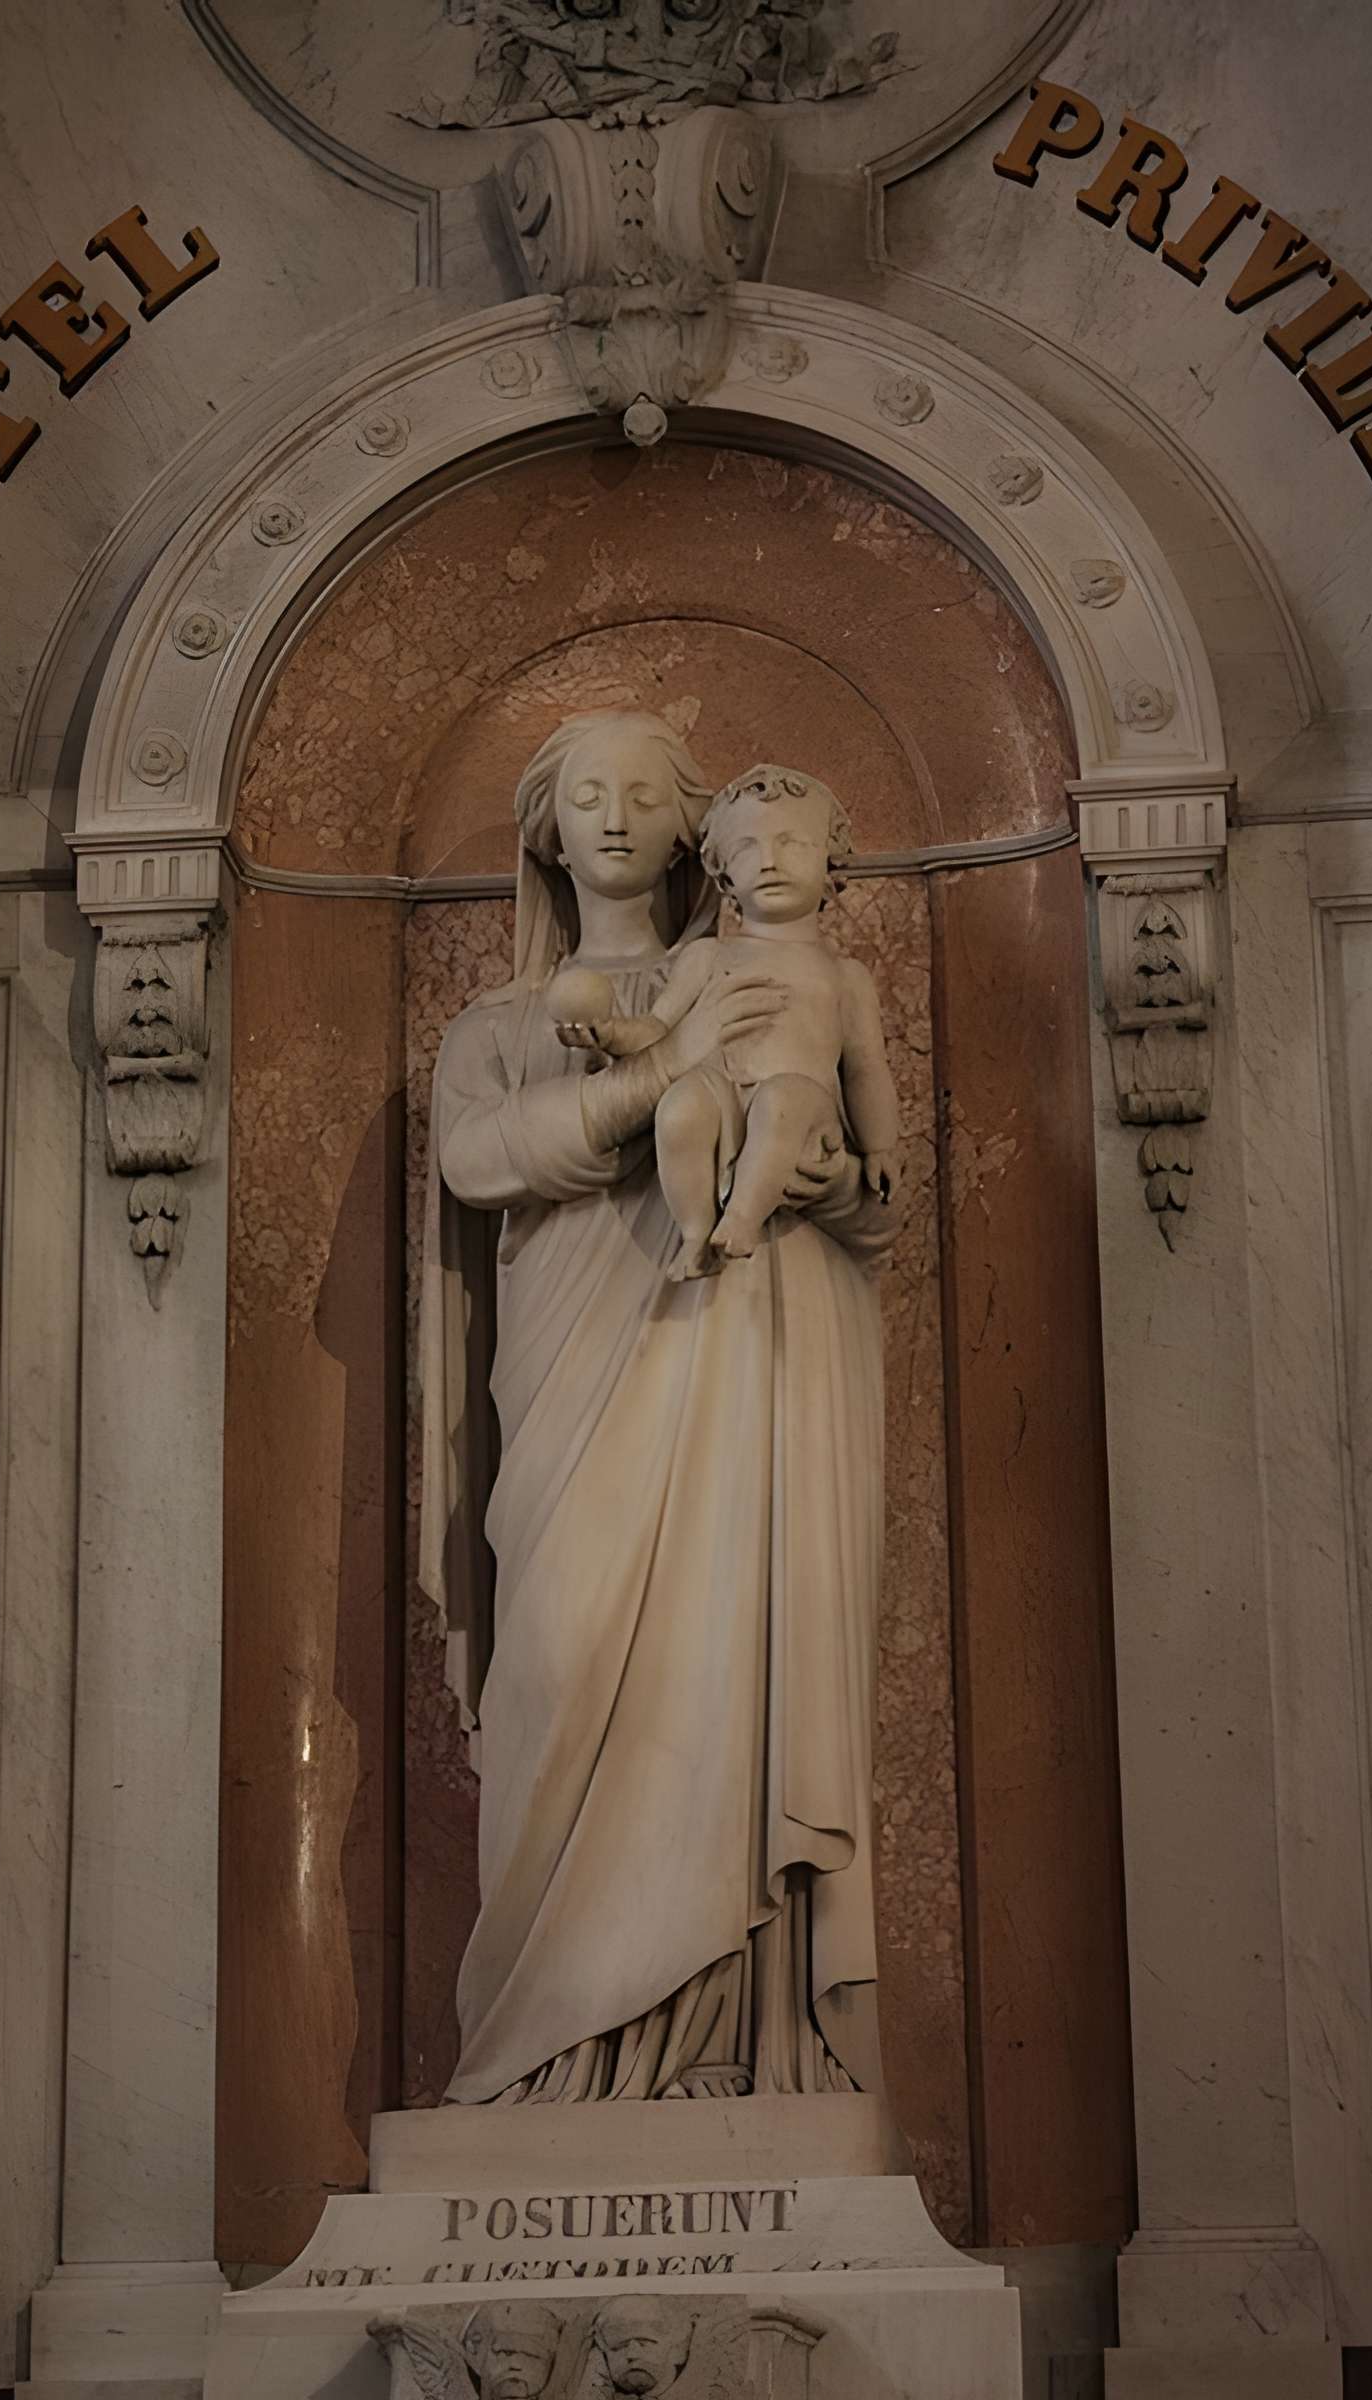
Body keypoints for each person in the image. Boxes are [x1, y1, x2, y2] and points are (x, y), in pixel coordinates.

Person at [421, 708, 896, 2106]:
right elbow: (472, 1158)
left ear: (690, 824)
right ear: (545, 832)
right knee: (560, 1658)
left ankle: (713, 2042)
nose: (617, 817)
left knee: (717, 1662)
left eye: (642, 793)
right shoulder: (501, 1024)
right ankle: (544, 2046)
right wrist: (645, 1089)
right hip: (569, 1375)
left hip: (734, 1352)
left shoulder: (762, 973)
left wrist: (830, 1186)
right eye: (586, 795)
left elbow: (869, 1189)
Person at [549, 762, 901, 1281]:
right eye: (746, 848)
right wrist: (614, 1034)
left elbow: (867, 1069)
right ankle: (695, 1232)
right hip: (726, 1104)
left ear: (829, 858)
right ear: (723, 871)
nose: (769, 862)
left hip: (803, 1114)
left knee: (783, 1097)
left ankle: (742, 1218)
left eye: (792, 843)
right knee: (681, 1106)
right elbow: (660, 1030)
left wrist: (880, 1146)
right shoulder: (707, 957)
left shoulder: (843, 975)